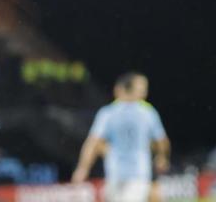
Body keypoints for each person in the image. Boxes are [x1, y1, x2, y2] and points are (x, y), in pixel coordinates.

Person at [72, 72, 170, 202]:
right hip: (138, 175)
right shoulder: (147, 112)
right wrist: (162, 157)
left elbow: (93, 142)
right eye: (143, 88)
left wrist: (82, 168)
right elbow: (162, 141)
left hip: (114, 174)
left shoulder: (107, 113)